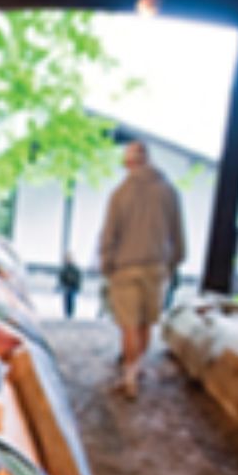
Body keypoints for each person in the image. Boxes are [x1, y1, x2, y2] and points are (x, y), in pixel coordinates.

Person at [98, 140, 185, 400]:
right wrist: (175, 261)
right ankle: (137, 369)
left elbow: (109, 234)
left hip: (125, 268)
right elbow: (177, 233)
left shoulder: (120, 193)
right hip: (156, 267)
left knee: (129, 326)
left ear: (129, 163)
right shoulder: (169, 192)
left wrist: (106, 263)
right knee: (146, 323)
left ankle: (129, 377)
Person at [57, 251, 83, 319]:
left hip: (73, 287)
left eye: (69, 258)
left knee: (71, 300)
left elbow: (78, 278)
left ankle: (70, 314)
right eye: (67, 258)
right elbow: (61, 277)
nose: (68, 260)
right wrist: (62, 284)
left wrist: (78, 286)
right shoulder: (64, 268)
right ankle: (67, 314)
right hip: (67, 287)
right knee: (66, 300)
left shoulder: (75, 269)